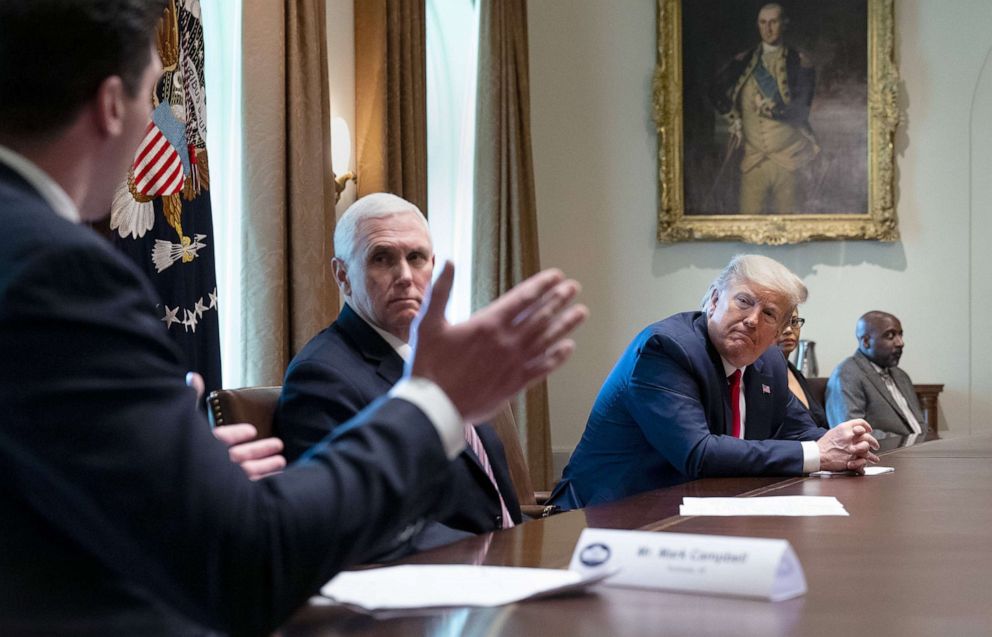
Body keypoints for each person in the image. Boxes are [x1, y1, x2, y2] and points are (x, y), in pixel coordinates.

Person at [0, 2, 587, 634]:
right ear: (112, 106)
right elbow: (248, 563)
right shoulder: (55, 269)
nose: (157, 127)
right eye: (154, 97)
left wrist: (172, 478)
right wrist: (437, 401)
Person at [275, 193, 522, 556]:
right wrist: (491, 554)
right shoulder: (321, 377)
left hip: (507, 565)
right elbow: (356, 523)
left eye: (416, 258)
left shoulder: (447, 358)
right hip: (436, 585)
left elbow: (491, 499)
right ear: (342, 276)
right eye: (382, 258)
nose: (405, 277)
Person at [549, 254, 877, 510]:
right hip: (604, 517)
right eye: (744, 301)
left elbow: (800, 433)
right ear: (714, 301)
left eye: (769, 314)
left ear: (778, 332)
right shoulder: (665, 349)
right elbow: (698, 454)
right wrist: (820, 454)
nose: (751, 320)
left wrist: (846, 446)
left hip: (696, 517)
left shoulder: (769, 362)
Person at [709, 3, 819, 214]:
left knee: (790, 230)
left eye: (773, 22)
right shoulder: (744, 61)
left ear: (784, 24)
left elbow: (800, 112)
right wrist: (734, 119)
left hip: (790, 161)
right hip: (752, 161)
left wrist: (768, 109)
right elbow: (715, 91)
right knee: (748, 226)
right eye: (762, 23)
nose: (767, 29)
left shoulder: (800, 63)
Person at [826, 311, 926, 437]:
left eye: (900, 335)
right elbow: (852, 432)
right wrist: (908, 442)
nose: (900, 343)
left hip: (921, 449)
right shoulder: (847, 374)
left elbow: (919, 424)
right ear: (866, 342)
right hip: (891, 453)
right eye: (890, 336)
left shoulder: (901, 376)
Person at [776, 307, 828, 428]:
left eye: (794, 322)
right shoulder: (760, 375)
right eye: (780, 323)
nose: (788, 330)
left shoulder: (795, 373)